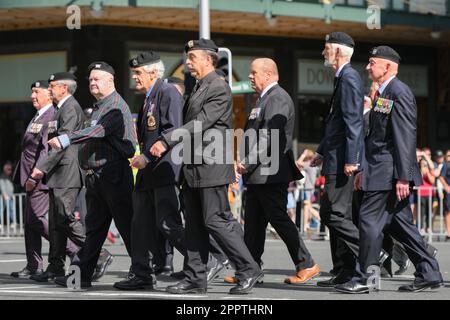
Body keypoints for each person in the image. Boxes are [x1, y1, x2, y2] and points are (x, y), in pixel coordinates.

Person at [151, 38, 262, 295]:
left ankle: (248, 268)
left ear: (208, 59)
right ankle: (195, 278)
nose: (188, 63)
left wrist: (167, 140)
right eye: (187, 57)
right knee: (194, 225)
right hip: (194, 168)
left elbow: (201, 123)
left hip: (211, 166)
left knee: (216, 220)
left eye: (192, 58)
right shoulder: (200, 86)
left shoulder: (218, 87)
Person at [335, 46, 443, 293]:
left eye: (372, 62)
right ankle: (429, 272)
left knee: (368, 223)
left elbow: (404, 136)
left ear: (388, 67)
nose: (367, 66)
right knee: (401, 227)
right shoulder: (385, 94)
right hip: (381, 172)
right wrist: (364, 169)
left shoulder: (398, 92)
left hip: (389, 174)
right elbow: (376, 138)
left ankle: (365, 278)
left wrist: (403, 176)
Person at [235, 58, 319, 285]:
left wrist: (247, 162)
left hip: (270, 172)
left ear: (269, 74)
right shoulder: (263, 99)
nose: (250, 77)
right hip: (258, 172)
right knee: (253, 222)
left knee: (279, 219)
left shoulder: (278, 98)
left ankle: (307, 264)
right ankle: (251, 269)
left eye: (254, 73)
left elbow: (267, 137)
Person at [50, 62, 135, 288]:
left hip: (113, 173)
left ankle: (143, 273)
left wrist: (66, 138)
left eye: (97, 78)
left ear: (111, 81)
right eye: (90, 80)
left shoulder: (115, 105)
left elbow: (98, 131)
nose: (92, 82)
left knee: (127, 227)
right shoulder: (100, 106)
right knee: (94, 231)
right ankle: (80, 276)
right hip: (97, 176)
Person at [113, 51, 185, 290]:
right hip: (147, 174)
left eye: (138, 72)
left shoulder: (167, 93)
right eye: (134, 73)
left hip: (163, 170)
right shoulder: (148, 97)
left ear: (153, 72)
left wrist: (145, 156)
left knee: (168, 224)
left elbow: (173, 131)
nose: (134, 77)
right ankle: (142, 273)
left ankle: (208, 255)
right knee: (140, 224)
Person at [310, 32, 364, 287]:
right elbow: (336, 121)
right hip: (334, 156)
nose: (323, 53)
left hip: (343, 159)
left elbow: (353, 121)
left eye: (326, 48)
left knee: (335, 213)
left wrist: (352, 159)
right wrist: (321, 150)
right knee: (330, 212)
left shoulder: (350, 77)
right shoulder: (341, 77)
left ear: (339, 51)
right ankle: (344, 269)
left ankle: (369, 254)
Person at [10, 81, 79, 278]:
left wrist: (35, 174)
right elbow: (28, 147)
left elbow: (46, 150)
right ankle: (33, 264)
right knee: (30, 223)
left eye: (36, 92)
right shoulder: (38, 115)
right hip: (29, 176)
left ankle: (76, 250)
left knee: (38, 221)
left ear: (48, 95)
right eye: (31, 91)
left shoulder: (51, 116)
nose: (32, 95)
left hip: (39, 177)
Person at [28, 72, 86, 282]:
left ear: (64, 88)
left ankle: (94, 252)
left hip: (67, 172)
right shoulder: (60, 108)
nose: (49, 90)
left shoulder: (70, 107)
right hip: (57, 173)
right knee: (55, 223)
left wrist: (40, 167)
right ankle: (55, 266)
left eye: (52, 86)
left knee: (65, 217)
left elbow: (63, 142)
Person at [0, 162, 16, 226]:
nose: (10, 171)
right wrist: (4, 194)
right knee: (1, 210)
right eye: (9, 169)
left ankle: (13, 222)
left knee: (11, 209)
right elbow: (2, 186)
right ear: (5, 169)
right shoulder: (2, 177)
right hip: (4, 196)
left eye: (11, 169)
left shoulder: (9, 177)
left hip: (10, 196)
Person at [439, 150, 450, 241]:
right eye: (448, 155)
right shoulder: (446, 165)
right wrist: (446, 186)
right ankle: (448, 232)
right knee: (448, 212)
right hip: (448, 193)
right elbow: (441, 177)